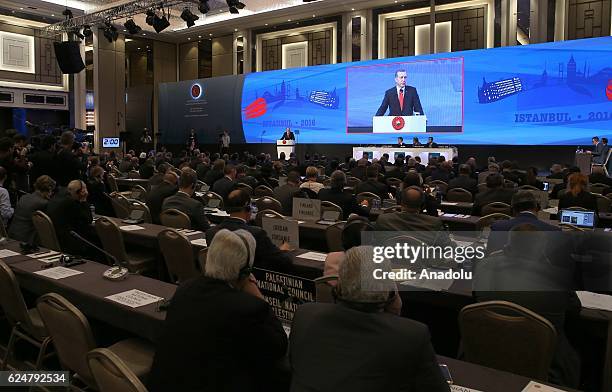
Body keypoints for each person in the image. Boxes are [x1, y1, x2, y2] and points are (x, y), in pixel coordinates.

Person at [290, 246, 449, 392]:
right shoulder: (412, 335)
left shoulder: (305, 315)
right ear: (389, 291)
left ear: (339, 285)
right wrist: (394, 304)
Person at [148, 229, 288, 392]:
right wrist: (257, 295)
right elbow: (279, 346)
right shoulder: (248, 307)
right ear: (244, 273)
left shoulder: (184, 289)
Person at [473, 225, 581, 388]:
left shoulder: (483, 267)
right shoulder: (557, 278)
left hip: (484, 354)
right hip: (546, 365)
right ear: (542, 250)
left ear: (508, 246)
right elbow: (575, 310)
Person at [206, 189, 294, 272]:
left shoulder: (211, 232)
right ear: (248, 207)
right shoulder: (256, 234)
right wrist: (283, 250)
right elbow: (281, 261)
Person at [486, 191, 560, 254]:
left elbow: (490, 254)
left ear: (512, 211)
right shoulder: (554, 231)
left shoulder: (498, 227)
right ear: (537, 208)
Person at [376, 186, 452, 247]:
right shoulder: (434, 223)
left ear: (401, 203)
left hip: (389, 262)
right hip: (422, 263)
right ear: (422, 206)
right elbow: (448, 248)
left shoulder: (383, 219)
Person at [46, 179, 94, 255]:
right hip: (69, 243)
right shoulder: (71, 203)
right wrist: (84, 199)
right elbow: (88, 220)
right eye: (85, 189)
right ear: (81, 192)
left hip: (56, 237)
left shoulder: (57, 197)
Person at [9, 175, 55, 243]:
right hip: (26, 240)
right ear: (49, 189)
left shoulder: (24, 197)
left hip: (11, 235)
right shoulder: (43, 203)